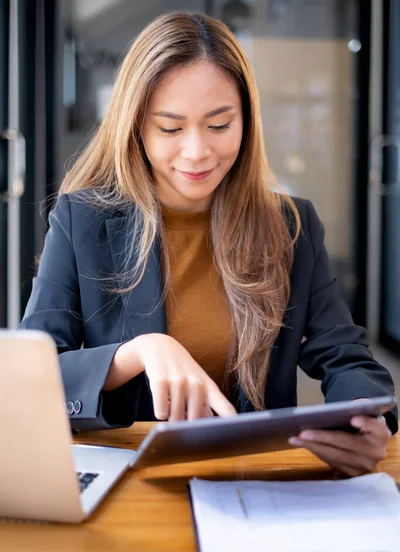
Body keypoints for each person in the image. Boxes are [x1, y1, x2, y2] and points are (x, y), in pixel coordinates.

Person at [19, 12, 397, 477]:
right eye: (171, 129)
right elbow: (30, 379)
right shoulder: (83, 220)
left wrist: (363, 418)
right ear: (136, 127)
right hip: (132, 483)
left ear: (246, 120)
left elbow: (346, 357)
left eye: (219, 125)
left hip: (254, 480)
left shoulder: (290, 224)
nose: (197, 152)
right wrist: (136, 353)